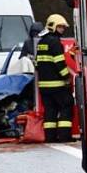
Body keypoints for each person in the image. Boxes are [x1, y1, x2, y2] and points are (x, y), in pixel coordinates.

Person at [36, 14, 73, 143]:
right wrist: (67, 77)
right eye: (60, 27)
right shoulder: (55, 43)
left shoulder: (41, 43)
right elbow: (60, 63)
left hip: (44, 86)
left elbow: (38, 64)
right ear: (53, 27)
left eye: (63, 27)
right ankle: (64, 136)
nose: (62, 29)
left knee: (50, 110)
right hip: (57, 85)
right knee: (66, 105)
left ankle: (50, 137)